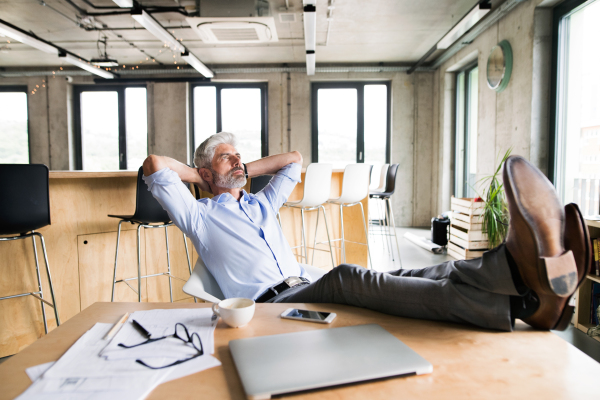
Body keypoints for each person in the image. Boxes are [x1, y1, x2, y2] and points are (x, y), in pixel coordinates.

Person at [142, 132, 590, 332]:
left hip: (301, 282)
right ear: (202, 172)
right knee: (347, 277)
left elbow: (295, 158)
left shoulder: (260, 202)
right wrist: (207, 177)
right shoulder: (199, 216)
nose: (239, 162)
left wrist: (237, 168)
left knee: (412, 274)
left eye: (240, 156)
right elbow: (155, 167)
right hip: (269, 307)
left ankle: (525, 297)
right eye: (227, 157)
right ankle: (517, 278)